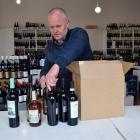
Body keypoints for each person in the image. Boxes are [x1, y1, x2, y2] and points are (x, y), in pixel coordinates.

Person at [40, 7, 93, 91]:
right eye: (52, 27)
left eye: (58, 26)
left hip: (85, 92)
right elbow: (46, 68)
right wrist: (43, 76)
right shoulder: (49, 48)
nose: (55, 30)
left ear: (67, 24)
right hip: (62, 96)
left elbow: (72, 50)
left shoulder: (79, 34)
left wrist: (57, 66)